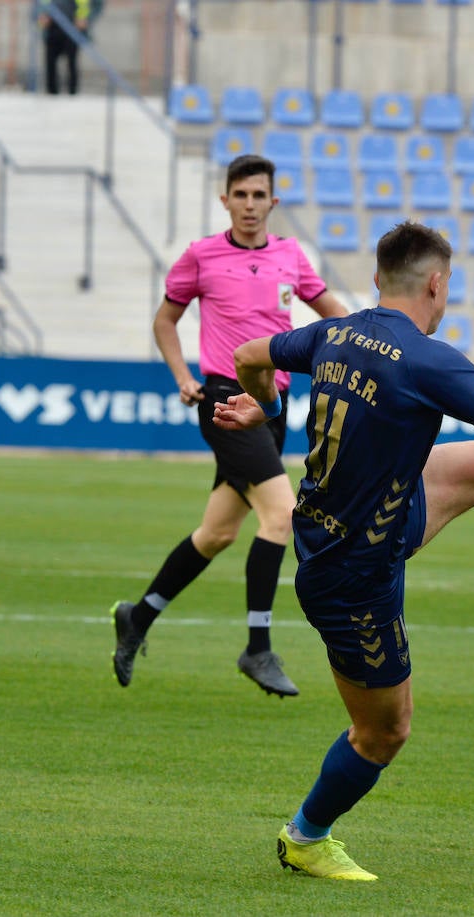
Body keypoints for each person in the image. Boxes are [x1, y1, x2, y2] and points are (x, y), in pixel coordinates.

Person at [211, 220, 474, 880]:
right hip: (352, 575)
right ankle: (306, 834)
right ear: (435, 284)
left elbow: (248, 355)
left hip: (372, 514)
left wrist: (264, 408)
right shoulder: (424, 359)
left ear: (381, 278)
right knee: (385, 731)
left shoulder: (335, 332)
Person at [110, 154, 351, 697]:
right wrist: (181, 376)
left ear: (273, 202)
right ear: (225, 200)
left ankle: (138, 617)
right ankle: (258, 647)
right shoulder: (201, 255)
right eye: (239, 195)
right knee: (282, 516)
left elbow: (334, 314)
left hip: (273, 406)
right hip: (223, 399)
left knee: (217, 533)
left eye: (257, 196)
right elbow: (164, 321)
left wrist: (372, 342)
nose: (248, 205)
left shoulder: (292, 256)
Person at [38, 0, 92, 95]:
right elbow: (42, 5)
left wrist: (82, 18)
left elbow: (83, 6)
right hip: (52, 28)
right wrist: (42, 16)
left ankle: (73, 90)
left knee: (72, 62)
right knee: (50, 62)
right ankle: (52, 90)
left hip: (72, 28)